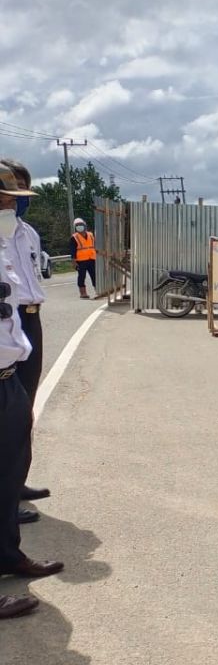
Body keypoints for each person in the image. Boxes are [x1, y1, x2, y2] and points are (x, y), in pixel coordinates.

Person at [0, 163, 63, 589]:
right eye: (6, 198)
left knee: (17, 436)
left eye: (15, 197)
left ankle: (8, 550)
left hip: (15, 343)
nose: (13, 203)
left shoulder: (19, 238)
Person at [0, 160, 51, 523]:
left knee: (23, 407)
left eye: (21, 189)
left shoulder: (28, 233)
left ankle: (17, 483)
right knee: (6, 412)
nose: (15, 199)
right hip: (8, 323)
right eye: (10, 190)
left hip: (31, 322)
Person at [70, 217, 96, 300]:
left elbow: (94, 246)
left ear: (85, 225)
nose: (79, 226)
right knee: (81, 276)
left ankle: (98, 290)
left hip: (91, 259)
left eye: (80, 225)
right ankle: (83, 293)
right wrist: (74, 262)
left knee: (94, 276)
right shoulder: (74, 238)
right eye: (77, 225)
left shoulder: (91, 235)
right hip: (81, 261)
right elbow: (72, 251)